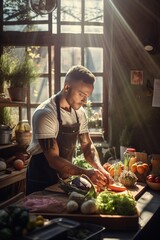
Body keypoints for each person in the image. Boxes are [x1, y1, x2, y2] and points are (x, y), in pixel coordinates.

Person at [26, 65, 113, 195]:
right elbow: (53, 159)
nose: (85, 101)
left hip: (64, 178)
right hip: (42, 180)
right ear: (67, 87)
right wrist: (86, 172)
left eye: (87, 96)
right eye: (81, 94)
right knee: (41, 215)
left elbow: (87, 145)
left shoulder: (79, 113)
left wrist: (101, 170)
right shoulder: (46, 114)